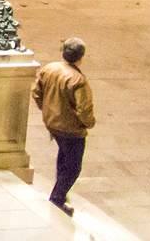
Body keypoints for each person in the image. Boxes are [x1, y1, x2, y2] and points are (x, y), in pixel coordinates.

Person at [33, 37, 96, 216]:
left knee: (64, 158)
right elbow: (84, 109)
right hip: (71, 129)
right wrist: (88, 123)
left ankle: (60, 188)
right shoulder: (77, 80)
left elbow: (37, 92)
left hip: (52, 123)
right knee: (73, 166)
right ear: (80, 57)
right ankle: (58, 196)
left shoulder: (49, 69)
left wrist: (46, 110)